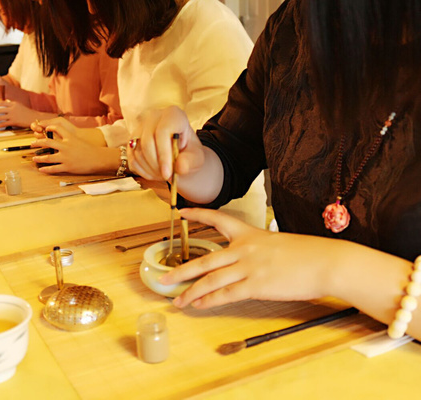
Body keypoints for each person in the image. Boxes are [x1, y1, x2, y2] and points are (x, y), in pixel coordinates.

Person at [128, 0, 421, 340]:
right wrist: (189, 159)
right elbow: (233, 150)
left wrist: (328, 267)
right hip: (304, 329)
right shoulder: (293, 25)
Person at [32, 0, 267, 227]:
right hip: (158, 204)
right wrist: (81, 136)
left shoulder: (211, 25)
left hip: (222, 220)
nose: (91, 8)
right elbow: (136, 125)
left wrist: (103, 159)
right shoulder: (137, 38)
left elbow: (206, 150)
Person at [0, 0, 122, 129]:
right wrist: (4, 89)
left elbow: (117, 126)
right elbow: (57, 104)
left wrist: (37, 118)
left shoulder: (109, 41)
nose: (41, 6)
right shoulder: (72, 38)